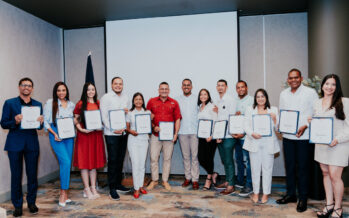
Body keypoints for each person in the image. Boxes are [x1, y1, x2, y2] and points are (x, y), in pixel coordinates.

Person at [277, 68, 318, 212]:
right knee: (289, 167)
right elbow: (282, 112)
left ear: (301, 78)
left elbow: (315, 112)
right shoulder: (283, 94)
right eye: (290, 78)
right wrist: (280, 126)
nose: (293, 80)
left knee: (302, 168)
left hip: (303, 137)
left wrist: (306, 125)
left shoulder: (310, 93)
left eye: (296, 77)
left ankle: (303, 198)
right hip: (287, 137)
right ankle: (290, 194)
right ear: (288, 80)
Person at [1, 78, 43, 217]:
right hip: (14, 144)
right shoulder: (9, 103)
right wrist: (15, 120)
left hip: (31, 143)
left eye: (29, 85)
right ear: (19, 87)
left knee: (32, 175)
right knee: (16, 176)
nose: (26, 87)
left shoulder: (38, 104)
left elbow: (40, 126)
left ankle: (31, 203)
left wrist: (41, 122)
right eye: (24, 85)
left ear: (32, 88)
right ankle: (17, 205)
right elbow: (4, 123)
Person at [312, 74, 348, 218]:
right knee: (325, 173)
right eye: (327, 84)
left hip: (339, 144)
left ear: (337, 87)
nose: (329, 87)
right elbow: (318, 123)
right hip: (321, 144)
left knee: (335, 176)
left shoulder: (344, 102)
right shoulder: (317, 102)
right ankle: (329, 205)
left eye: (333, 84)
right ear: (322, 85)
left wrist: (338, 139)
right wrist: (311, 121)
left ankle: (338, 208)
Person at [243, 89, 280, 203]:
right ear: (255, 98)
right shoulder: (250, 109)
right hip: (254, 142)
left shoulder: (273, 109)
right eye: (258, 97)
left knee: (267, 169)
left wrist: (274, 119)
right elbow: (245, 125)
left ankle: (265, 193)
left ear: (266, 98)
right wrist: (252, 133)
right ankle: (255, 193)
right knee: (255, 169)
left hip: (268, 143)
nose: (260, 99)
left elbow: (278, 128)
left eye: (262, 96)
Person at [43, 82, 75, 207]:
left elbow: (72, 120)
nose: (61, 92)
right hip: (56, 135)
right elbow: (46, 122)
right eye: (59, 90)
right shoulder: (50, 103)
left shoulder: (71, 104)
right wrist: (54, 133)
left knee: (66, 164)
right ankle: (62, 193)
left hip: (69, 136)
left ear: (67, 91)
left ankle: (66, 193)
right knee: (66, 162)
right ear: (55, 92)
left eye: (63, 90)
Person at [73, 82, 106, 200]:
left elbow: (102, 119)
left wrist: (101, 126)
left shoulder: (98, 103)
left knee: (94, 164)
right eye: (88, 90)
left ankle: (93, 187)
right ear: (85, 91)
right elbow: (75, 119)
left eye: (93, 89)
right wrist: (81, 129)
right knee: (85, 163)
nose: (91, 91)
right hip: (84, 136)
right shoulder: (80, 104)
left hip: (96, 136)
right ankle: (86, 189)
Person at [146, 82, 182, 191]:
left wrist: (175, 134)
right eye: (162, 89)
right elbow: (146, 118)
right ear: (158, 90)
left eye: (166, 89)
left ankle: (165, 180)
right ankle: (155, 180)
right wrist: (153, 126)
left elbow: (177, 119)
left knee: (167, 158)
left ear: (169, 90)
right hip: (155, 135)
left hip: (169, 137)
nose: (164, 91)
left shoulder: (174, 103)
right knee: (153, 158)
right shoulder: (151, 101)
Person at [100, 77, 131, 200]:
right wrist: (113, 129)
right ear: (112, 85)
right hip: (111, 134)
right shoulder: (106, 97)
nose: (118, 86)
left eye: (120, 84)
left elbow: (127, 115)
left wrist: (127, 128)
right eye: (116, 84)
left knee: (120, 159)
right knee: (112, 161)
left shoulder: (126, 97)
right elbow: (104, 117)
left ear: (123, 85)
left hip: (123, 133)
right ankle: (112, 188)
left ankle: (118, 184)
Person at [214, 79, 237, 195]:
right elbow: (218, 119)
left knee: (228, 160)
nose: (220, 87)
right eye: (218, 86)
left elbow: (231, 118)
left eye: (222, 85)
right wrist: (218, 135)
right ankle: (228, 181)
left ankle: (231, 185)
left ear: (226, 87)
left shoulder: (230, 100)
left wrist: (222, 135)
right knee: (224, 159)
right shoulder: (217, 101)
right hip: (220, 135)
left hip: (228, 135)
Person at [176, 79, 200, 190]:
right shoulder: (177, 100)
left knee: (194, 157)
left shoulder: (197, 98)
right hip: (182, 132)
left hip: (195, 131)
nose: (186, 87)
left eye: (188, 85)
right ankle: (188, 178)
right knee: (186, 157)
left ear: (191, 86)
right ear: (182, 87)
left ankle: (195, 179)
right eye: (184, 85)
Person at [126, 92, 150, 198]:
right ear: (133, 101)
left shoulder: (147, 112)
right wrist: (132, 132)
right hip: (133, 140)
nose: (138, 101)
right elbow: (127, 128)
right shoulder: (130, 113)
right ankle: (136, 188)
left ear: (143, 101)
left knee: (142, 165)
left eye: (140, 99)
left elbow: (150, 126)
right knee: (135, 164)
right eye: (136, 99)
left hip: (144, 140)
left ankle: (140, 186)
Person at [233, 80, 254, 197]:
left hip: (246, 137)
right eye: (238, 87)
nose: (240, 89)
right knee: (239, 160)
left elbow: (252, 120)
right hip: (236, 136)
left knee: (248, 162)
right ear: (236, 89)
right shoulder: (234, 101)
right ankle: (240, 181)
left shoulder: (252, 100)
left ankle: (249, 185)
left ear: (246, 88)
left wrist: (244, 133)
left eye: (242, 87)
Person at [197, 89, 218, 190]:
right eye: (201, 94)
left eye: (205, 94)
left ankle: (208, 179)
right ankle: (213, 173)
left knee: (209, 158)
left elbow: (215, 120)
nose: (203, 96)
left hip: (210, 137)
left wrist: (212, 135)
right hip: (201, 136)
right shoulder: (200, 107)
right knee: (201, 158)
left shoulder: (212, 106)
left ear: (208, 96)